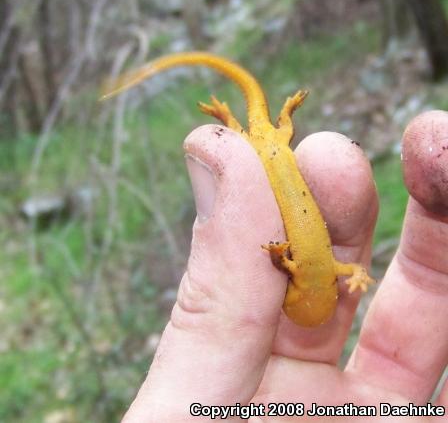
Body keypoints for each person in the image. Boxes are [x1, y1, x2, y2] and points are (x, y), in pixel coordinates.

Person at [122, 110, 448, 422]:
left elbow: (300, 267)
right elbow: (350, 271)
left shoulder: (319, 270)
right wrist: (360, 274)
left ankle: (242, 122)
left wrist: (290, 259)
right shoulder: (331, 269)